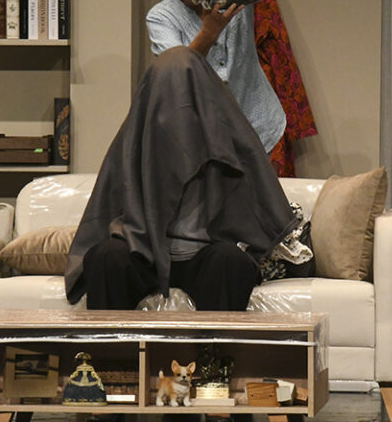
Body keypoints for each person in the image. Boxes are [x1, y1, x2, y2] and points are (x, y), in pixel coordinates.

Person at [65, 47, 299, 313]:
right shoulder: (138, 135)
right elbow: (109, 204)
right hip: (145, 252)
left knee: (231, 262)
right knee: (106, 258)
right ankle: (115, 343)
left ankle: (215, 343)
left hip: (203, 255)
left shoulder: (222, 135)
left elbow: (255, 189)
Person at [146, 0, 293, 156]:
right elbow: (178, 73)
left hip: (259, 127)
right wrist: (210, 31)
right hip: (202, 138)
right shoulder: (161, 17)